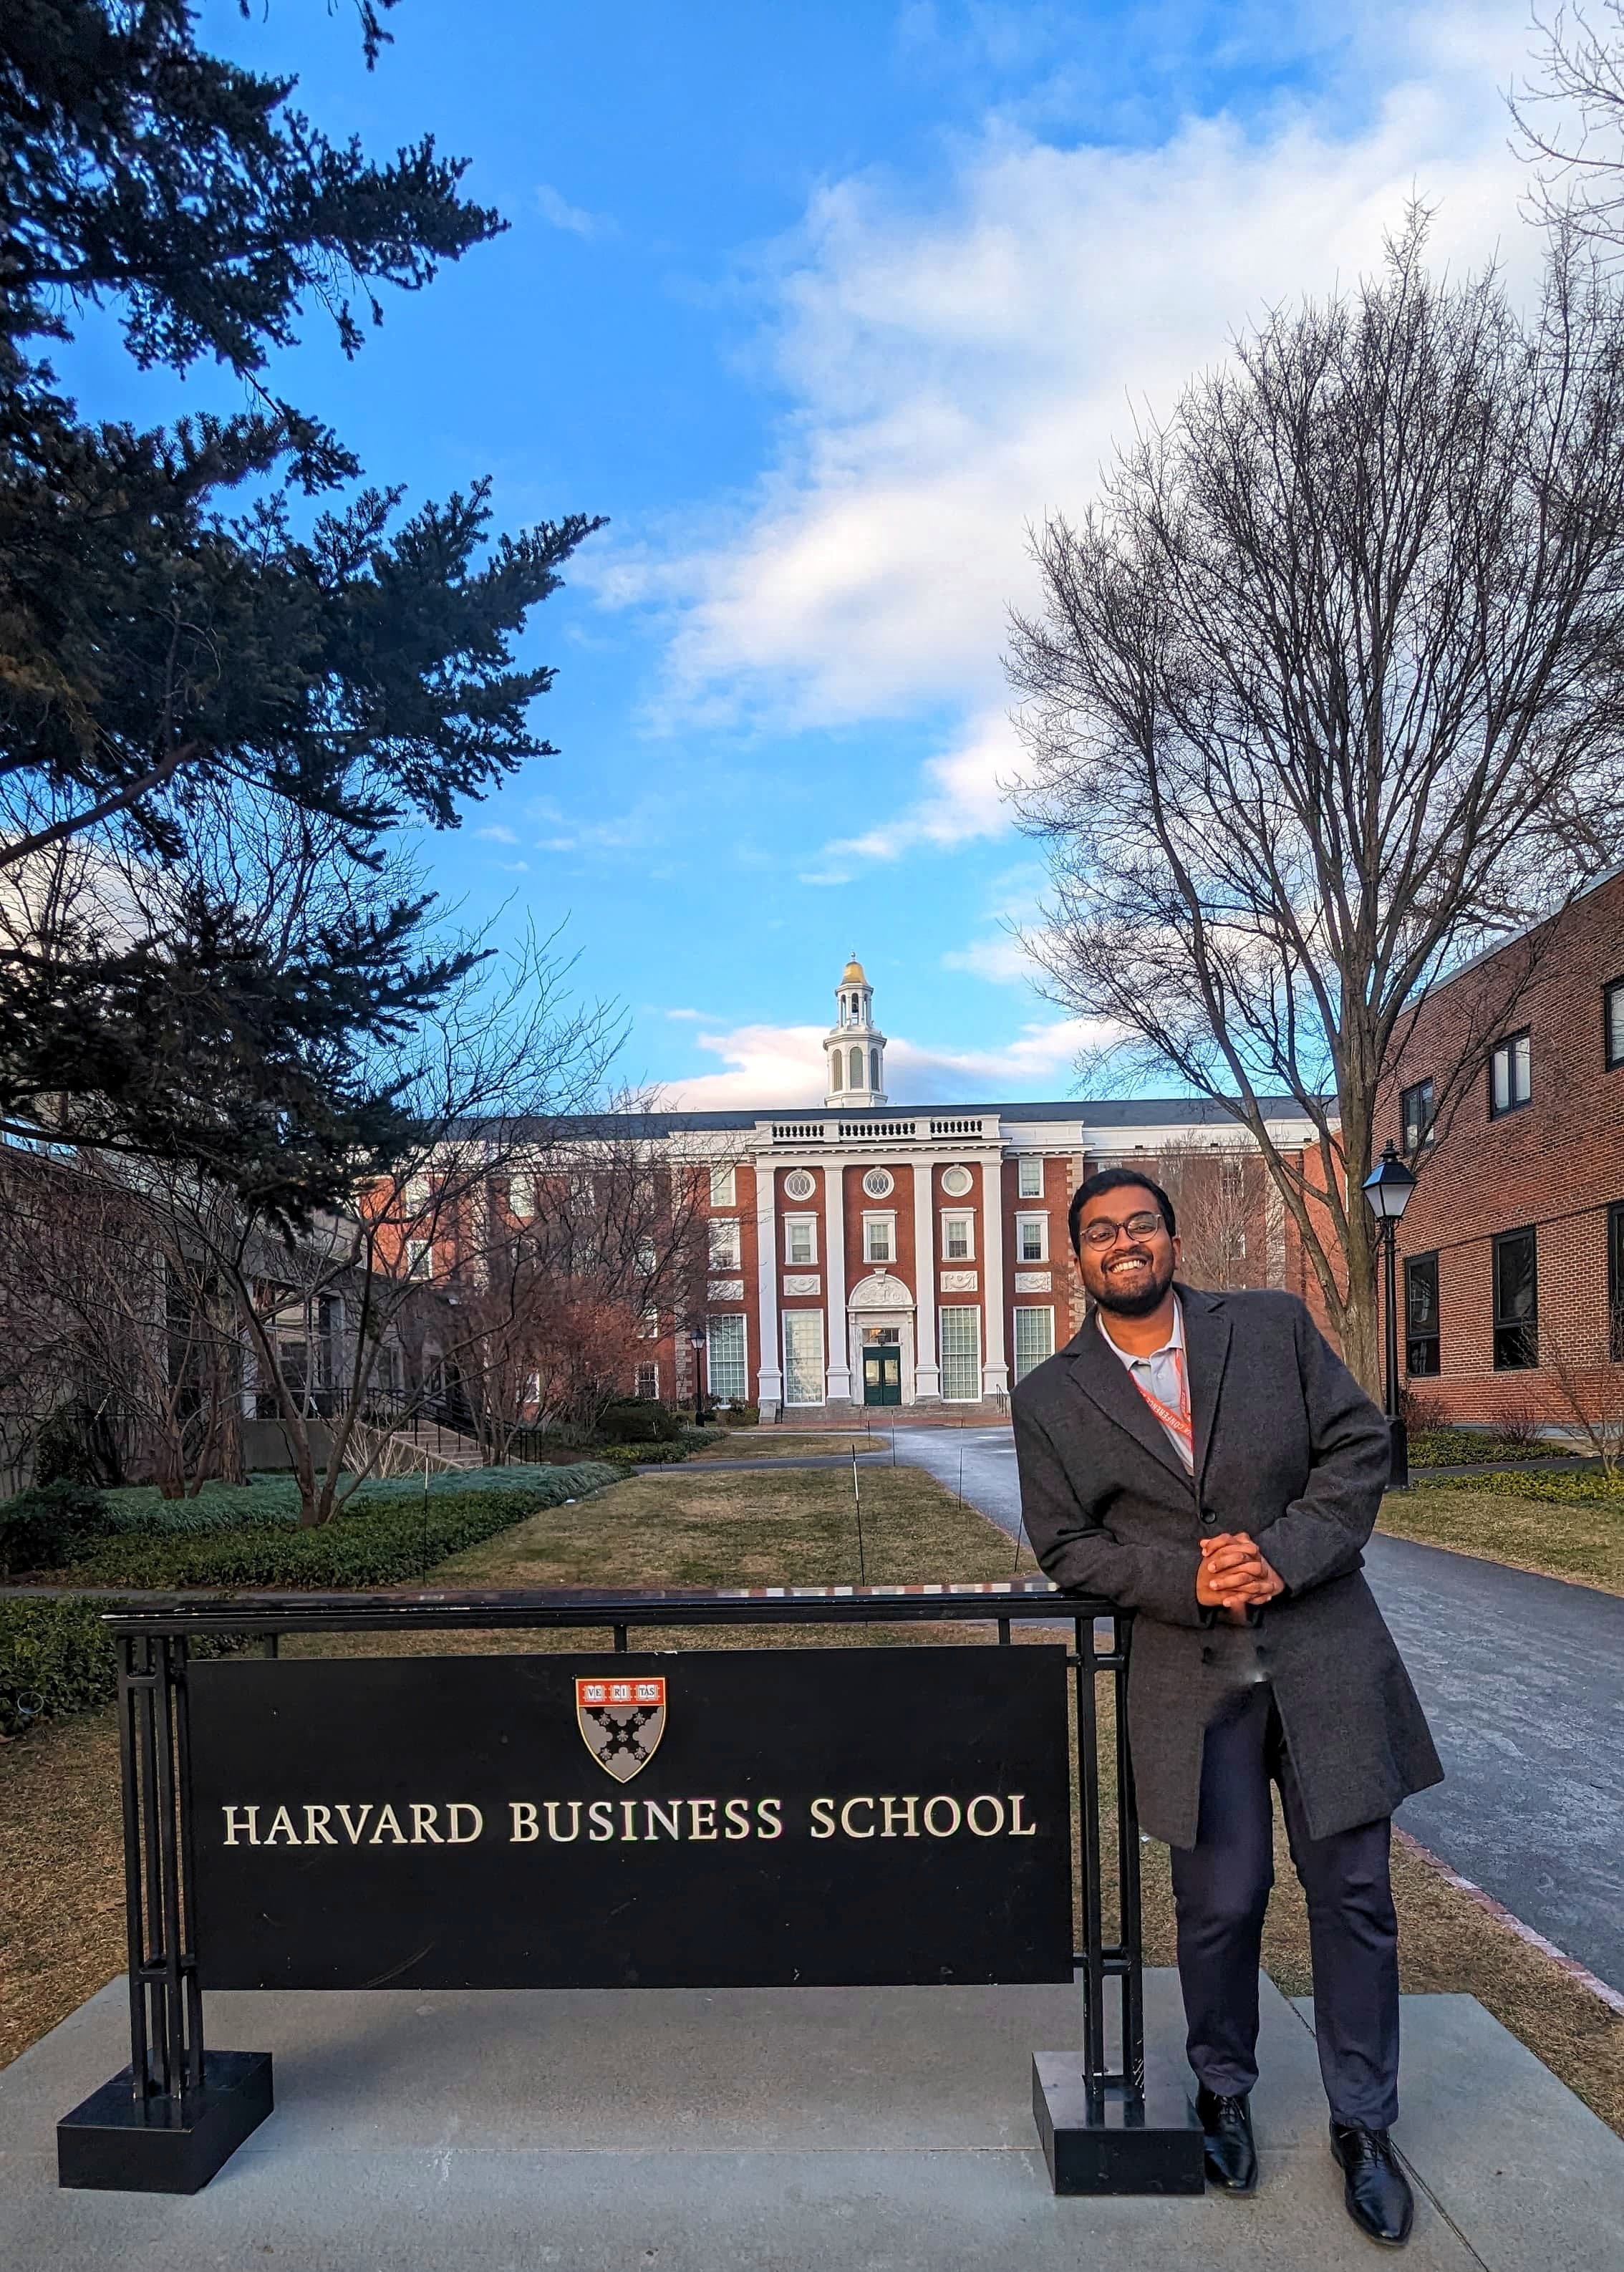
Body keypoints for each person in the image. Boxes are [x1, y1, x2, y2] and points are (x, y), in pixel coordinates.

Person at [1012, 1166, 1442, 2248]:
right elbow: (1067, 1546)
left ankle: (1365, 2125)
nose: (1125, 1243)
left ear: (1170, 1238)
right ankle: (1224, 2092)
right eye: (1101, 1232)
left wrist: (1279, 1555)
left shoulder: (1271, 1326)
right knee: (1219, 1899)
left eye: (1141, 1225)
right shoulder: (1051, 1396)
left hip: (1324, 1652)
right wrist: (1192, 1578)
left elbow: (1357, 1448)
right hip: (1188, 1674)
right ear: (1078, 1258)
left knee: (1353, 1894)